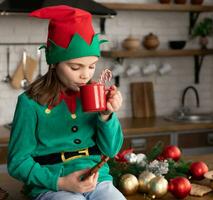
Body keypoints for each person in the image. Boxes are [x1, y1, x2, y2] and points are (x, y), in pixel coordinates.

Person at [7, 5, 126, 200]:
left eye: (92, 66)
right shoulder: (30, 103)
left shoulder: (95, 95)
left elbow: (111, 150)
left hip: (98, 181)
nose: (85, 75)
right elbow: (17, 162)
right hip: (51, 185)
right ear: (54, 63)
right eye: (75, 67)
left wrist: (107, 116)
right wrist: (60, 182)